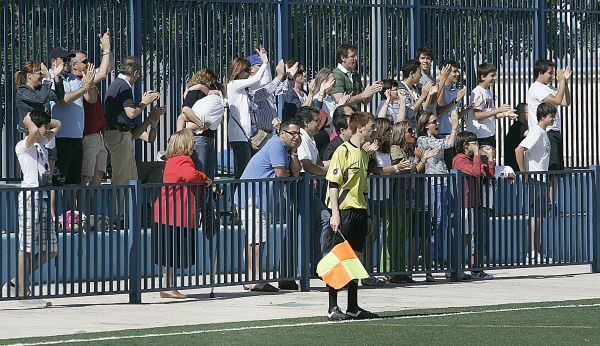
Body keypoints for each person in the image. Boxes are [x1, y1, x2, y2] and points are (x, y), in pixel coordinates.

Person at [325, 112, 380, 321]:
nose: (373, 130)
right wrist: (335, 214)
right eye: (371, 126)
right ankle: (332, 307)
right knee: (338, 259)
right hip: (345, 212)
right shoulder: (343, 150)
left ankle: (353, 306)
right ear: (360, 127)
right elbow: (333, 184)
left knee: (355, 260)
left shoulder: (364, 154)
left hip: (359, 211)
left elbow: (362, 188)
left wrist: (367, 215)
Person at [237, 119, 302, 292]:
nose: (296, 136)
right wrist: (288, 173)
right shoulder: (276, 145)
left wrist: (295, 152)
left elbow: (295, 172)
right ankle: (256, 280)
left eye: (298, 133)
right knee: (257, 240)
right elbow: (282, 174)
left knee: (255, 239)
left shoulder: (286, 149)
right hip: (253, 198)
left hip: (260, 199)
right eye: (292, 133)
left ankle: (252, 279)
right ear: (282, 134)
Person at [4, 111, 61, 298]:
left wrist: (42, 121)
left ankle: (16, 280)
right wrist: (29, 121)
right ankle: (22, 290)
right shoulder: (23, 145)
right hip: (30, 197)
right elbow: (34, 133)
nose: (46, 129)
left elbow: (58, 124)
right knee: (26, 247)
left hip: (43, 197)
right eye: (43, 126)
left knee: (52, 250)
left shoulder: (43, 142)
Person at [153, 129, 212, 299]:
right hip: (174, 214)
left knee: (167, 253)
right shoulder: (183, 160)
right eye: (191, 141)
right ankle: (169, 287)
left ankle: (168, 286)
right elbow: (191, 176)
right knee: (171, 251)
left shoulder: (173, 160)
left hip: (168, 213)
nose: (194, 144)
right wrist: (205, 178)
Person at [416, 109, 464, 278]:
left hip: (442, 184)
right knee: (436, 222)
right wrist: (454, 126)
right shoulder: (422, 139)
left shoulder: (434, 138)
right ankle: (432, 260)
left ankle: (439, 259)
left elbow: (448, 143)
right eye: (433, 122)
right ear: (425, 125)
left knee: (443, 222)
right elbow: (448, 144)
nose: (436, 124)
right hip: (433, 184)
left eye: (436, 121)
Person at [387, 121, 437, 283]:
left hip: (408, 198)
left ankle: (401, 271)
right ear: (401, 133)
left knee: (404, 236)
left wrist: (420, 159)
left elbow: (413, 169)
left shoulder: (405, 150)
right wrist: (418, 160)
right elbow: (405, 168)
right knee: (395, 236)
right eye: (410, 131)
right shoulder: (395, 148)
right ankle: (393, 271)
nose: (413, 133)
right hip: (397, 199)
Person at [103, 56, 163, 185]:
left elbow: (135, 134)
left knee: (131, 179)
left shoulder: (118, 85)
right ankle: (119, 206)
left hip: (121, 136)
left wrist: (151, 118)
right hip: (118, 136)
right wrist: (144, 103)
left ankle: (128, 205)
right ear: (135, 73)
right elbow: (132, 113)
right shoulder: (124, 86)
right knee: (122, 181)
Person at [71, 30, 114, 186]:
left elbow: (109, 68)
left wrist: (109, 46)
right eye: (85, 61)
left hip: (99, 135)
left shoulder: (86, 76)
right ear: (74, 65)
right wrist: (106, 50)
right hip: (88, 135)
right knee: (86, 177)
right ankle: (82, 210)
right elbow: (102, 75)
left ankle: (92, 209)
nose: (88, 63)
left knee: (98, 176)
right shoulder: (78, 80)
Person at [48, 47, 96, 187]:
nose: (68, 62)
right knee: (57, 182)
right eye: (64, 59)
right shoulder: (50, 78)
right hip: (60, 138)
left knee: (73, 182)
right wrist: (83, 88)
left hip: (76, 138)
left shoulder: (73, 78)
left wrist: (89, 82)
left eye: (69, 59)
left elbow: (91, 99)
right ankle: (56, 209)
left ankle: (72, 210)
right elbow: (62, 101)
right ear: (54, 61)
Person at [515, 102, 556, 264]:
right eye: (551, 116)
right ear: (543, 117)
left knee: (539, 217)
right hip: (535, 179)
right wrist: (525, 174)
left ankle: (537, 250)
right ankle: (532, 252)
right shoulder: (537, 132)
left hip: (542, 179)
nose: (553, 119)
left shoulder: (543, 133)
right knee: (535, 216)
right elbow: (519, 150)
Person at [452, 131, 495, 279]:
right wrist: (477, 154)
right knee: (464, 237)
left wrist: (489, 158)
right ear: (465, 145)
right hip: (465, 204)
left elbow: (488, 174)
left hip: (475, 203)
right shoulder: (459, 159)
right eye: (474, 143)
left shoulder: (472, 159)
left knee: (477, 238)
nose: (477, 145)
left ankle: (476, 269)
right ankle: (454, 268)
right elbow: (475, 172)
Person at [226, 48, 269, 178]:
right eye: (246, 70)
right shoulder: (234, 84)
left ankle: (241, 196)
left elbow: (264, 82)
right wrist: (265, 63)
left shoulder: (243, 88)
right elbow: (255, 80)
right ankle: (237, 197)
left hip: (245, 135)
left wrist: (265, 66)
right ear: (238, 71)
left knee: (246, 169)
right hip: (238, 135)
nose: (249, 72)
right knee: (243, 171)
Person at [526, 59, 571, 170]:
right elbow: (556, 100)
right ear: (540, 74)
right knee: (550, 168)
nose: (552, 76)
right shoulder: (536, 88)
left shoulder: (549, 88)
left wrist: (564, 83)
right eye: (550, 73)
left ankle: (554, 188)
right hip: (546, 132)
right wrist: (561, 82)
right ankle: (548, 188)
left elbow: (565, 102)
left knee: (556, 169)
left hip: (554, 131)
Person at [466, 62, 515, 148]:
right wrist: (498, 110)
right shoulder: (477, 92)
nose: (494, 78)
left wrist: (505, 114)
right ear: (482, 77)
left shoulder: (488, 92)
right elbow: (477, 115)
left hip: (489, 133)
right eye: (492, 76)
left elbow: (491, 114)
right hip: (480, 135)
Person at [331, 43, 382, 111]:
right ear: (343, 58)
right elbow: (340, 100)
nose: (356, 59)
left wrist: (372, 90)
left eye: (356, 56)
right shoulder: (336, 75)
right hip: (343, 118)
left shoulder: (355, 75)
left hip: (355, 117)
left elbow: (364, 101)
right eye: (353, 56)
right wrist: (363, 94)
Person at [397, 60, 435, 127]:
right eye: (419, 73)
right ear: (411, 74)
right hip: (405, 130)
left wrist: (429, 95)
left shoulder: (414, 89)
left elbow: (422, 110)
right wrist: (422, 96)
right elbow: (409, 113)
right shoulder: (400, 89)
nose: (421, 76)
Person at [504, 103, 528, 171]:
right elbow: (530, 135)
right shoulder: (519, 127)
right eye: (529, 112)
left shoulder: (515, 127)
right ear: (522, 113)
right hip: (516, 169)